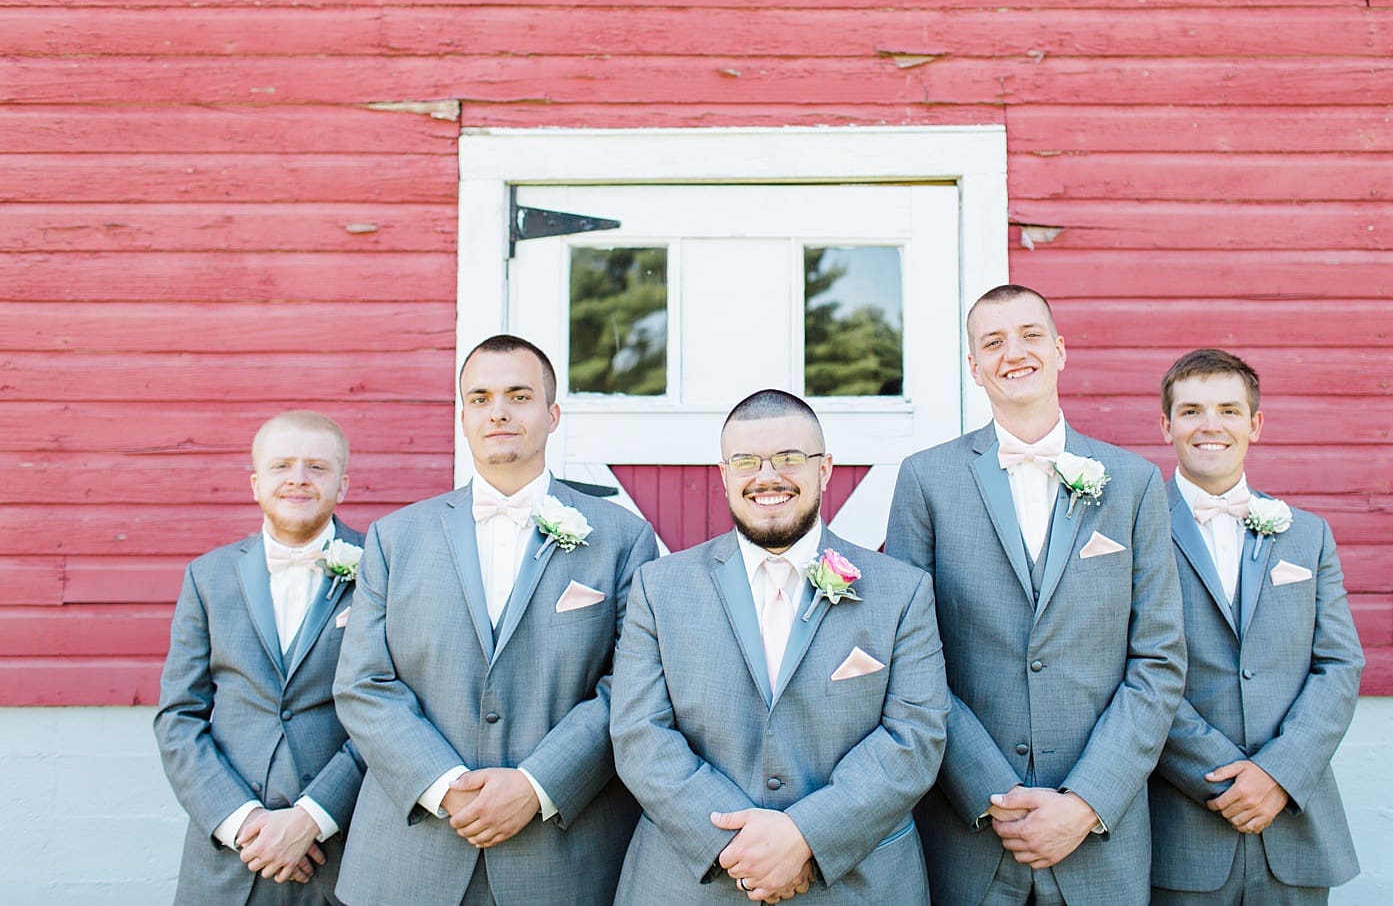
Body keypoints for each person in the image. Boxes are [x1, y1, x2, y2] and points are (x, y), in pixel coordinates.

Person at [885, 284, 1187, 906]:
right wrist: (991, 794)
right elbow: (909, 658)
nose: (1012, 352)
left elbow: (1158, 660)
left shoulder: (1131, 483)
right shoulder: (926, 479)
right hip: (968, 831)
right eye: (992, 342)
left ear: (1059, 350)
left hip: (1100, 831)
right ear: (973, 366)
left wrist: (1085, 801)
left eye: (1028, 335)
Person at [332, 334, 658, 906]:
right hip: (411, 856)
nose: (499, 411)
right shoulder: (395, 539)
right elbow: (364, 684)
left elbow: (630, 689)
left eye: (518, 395)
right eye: (480, 398)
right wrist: (443, 786)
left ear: (552, 414)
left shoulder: (622, 538)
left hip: (563, 859)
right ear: (463, 417)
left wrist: (537, 786)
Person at [610, 389, 948, 904]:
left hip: (856, 884)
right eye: (746, 461)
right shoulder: (658, 588)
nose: (767, 476)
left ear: (825, 468)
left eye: (790, 457)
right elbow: (639, 734)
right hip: (692, 881)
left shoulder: (902, 591)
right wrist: (747, 851)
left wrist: (805, 838)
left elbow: (915, 737)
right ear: (724, 475)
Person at [1150, 348, 1363, 904]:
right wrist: (1222, 774)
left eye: (1228, 409)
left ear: (1255, 424)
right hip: (1179, 826)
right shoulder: (1136, 529)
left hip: (1293, 816)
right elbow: (1129, 664)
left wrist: (1278, 773)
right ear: (1166, 424)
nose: (1211, 425)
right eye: (1192, 410)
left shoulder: (1307, 535)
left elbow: (1339, 665)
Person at [155, 410, 365, 905]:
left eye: (317, 466)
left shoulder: (383, 568)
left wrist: (314, 816)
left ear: (343, 485)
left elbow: (393, 708)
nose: (298, 478)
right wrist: (244, 823)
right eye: (281, 466)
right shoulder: (207, 577)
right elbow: (178, 717)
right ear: (255, 483)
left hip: (342, 852)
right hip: (230, 858)